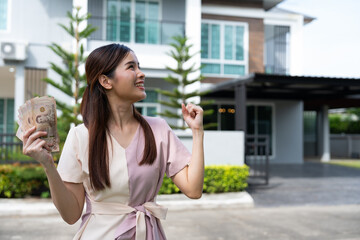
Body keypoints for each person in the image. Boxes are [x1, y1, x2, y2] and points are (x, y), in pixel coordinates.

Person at [22, 43, 205, 240]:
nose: (141, 73)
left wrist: (197, 132)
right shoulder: (80, 136)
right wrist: (48, 166)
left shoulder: (159, 129)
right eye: (131, 67)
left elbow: (193, 190)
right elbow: (71, 215)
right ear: (106, 81)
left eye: (139, 66)